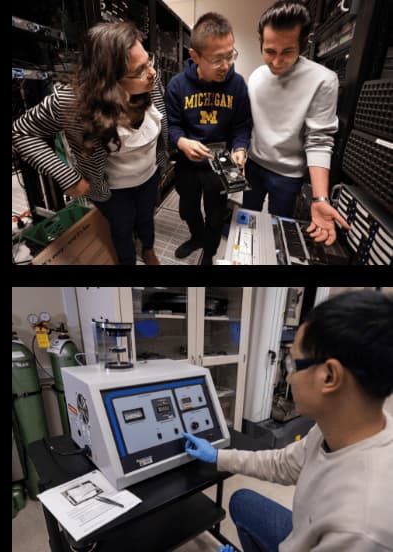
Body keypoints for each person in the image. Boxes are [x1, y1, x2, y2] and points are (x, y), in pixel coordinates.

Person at [183, 290, 393, 552]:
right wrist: (216, 456)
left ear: (329, 377)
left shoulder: (359, 530)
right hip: (303, 534)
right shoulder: (343, 427)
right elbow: (283, 463)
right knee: (242, 501)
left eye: (293, 364)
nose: (289, 378)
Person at [12, 21, 168, 266]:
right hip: (113, 189)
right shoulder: (70, 102)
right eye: (139, 70)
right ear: (107, 78)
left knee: (146, 217)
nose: (151, 73)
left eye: (149, 62)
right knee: (122, 228)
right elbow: (21, 132)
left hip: (149, 174)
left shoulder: (150, 79)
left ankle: (148, 249)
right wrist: (68, 177)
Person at [243, 0, 350, 245]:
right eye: (270, 51)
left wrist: (320, 198)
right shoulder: (257, 77)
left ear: (302, 45)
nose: (277, 62)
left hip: (288, 175)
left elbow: (319, 140)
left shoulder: (323, 80)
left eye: (287, 52)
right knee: (248, 219)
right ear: (261, 42)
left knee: (276, 230)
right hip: (254, 165)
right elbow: (248, 123)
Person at [164, 12, 252, 265]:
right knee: (189, 209)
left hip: (221, 164)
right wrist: (181, 141)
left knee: (215, 213)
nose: (226, 65)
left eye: (230, 55)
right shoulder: (178, 86)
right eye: (217, 59)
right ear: (195, 56)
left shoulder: (237, 85)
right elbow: (172, 125)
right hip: (188, 164)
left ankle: (209, 252)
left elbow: (242, 125)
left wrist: (240, 148)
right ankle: (196, 237)